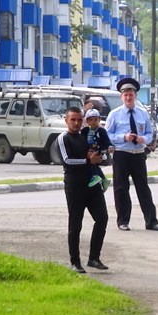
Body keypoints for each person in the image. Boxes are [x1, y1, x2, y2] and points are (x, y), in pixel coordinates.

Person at [105, 77, 158, 231]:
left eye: (131, 95)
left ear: (135, 96)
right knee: (121, 189)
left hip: (138, 153)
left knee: (143, 188)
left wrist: (143, 139)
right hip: (122, 154)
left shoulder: (142, 113)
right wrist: (123, 137)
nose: (128, 98)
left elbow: (150, 133)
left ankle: (151, 221)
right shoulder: (114, 114)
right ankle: (123, 221)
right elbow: (107, 136)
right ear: (121, 97)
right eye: (125, 95)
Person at [57, 106, 109, 273]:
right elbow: (67, 161)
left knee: (102, 218)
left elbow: (94, 153)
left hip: (92, 185)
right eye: (73, 119)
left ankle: (94, 258)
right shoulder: (63, 138)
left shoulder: (85, 136)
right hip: (74, 186)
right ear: (66, 121)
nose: (76, 123)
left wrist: (101, 157)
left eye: (79, 120)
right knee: (75, 224)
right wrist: (88, 161)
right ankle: (75, 261)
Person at [83, 109, 112, 191]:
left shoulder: (101, 131)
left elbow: (107, 140)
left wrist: (109, 146)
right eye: (91, 120)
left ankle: (95, 176)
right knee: (95, 165)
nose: (93, 122)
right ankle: (104, 179)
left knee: (92, 161)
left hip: (99, 150)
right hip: (89, 150)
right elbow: (82, 140)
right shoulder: (85, 131)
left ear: (99, 120)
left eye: (96, 119)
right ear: (87, 121)